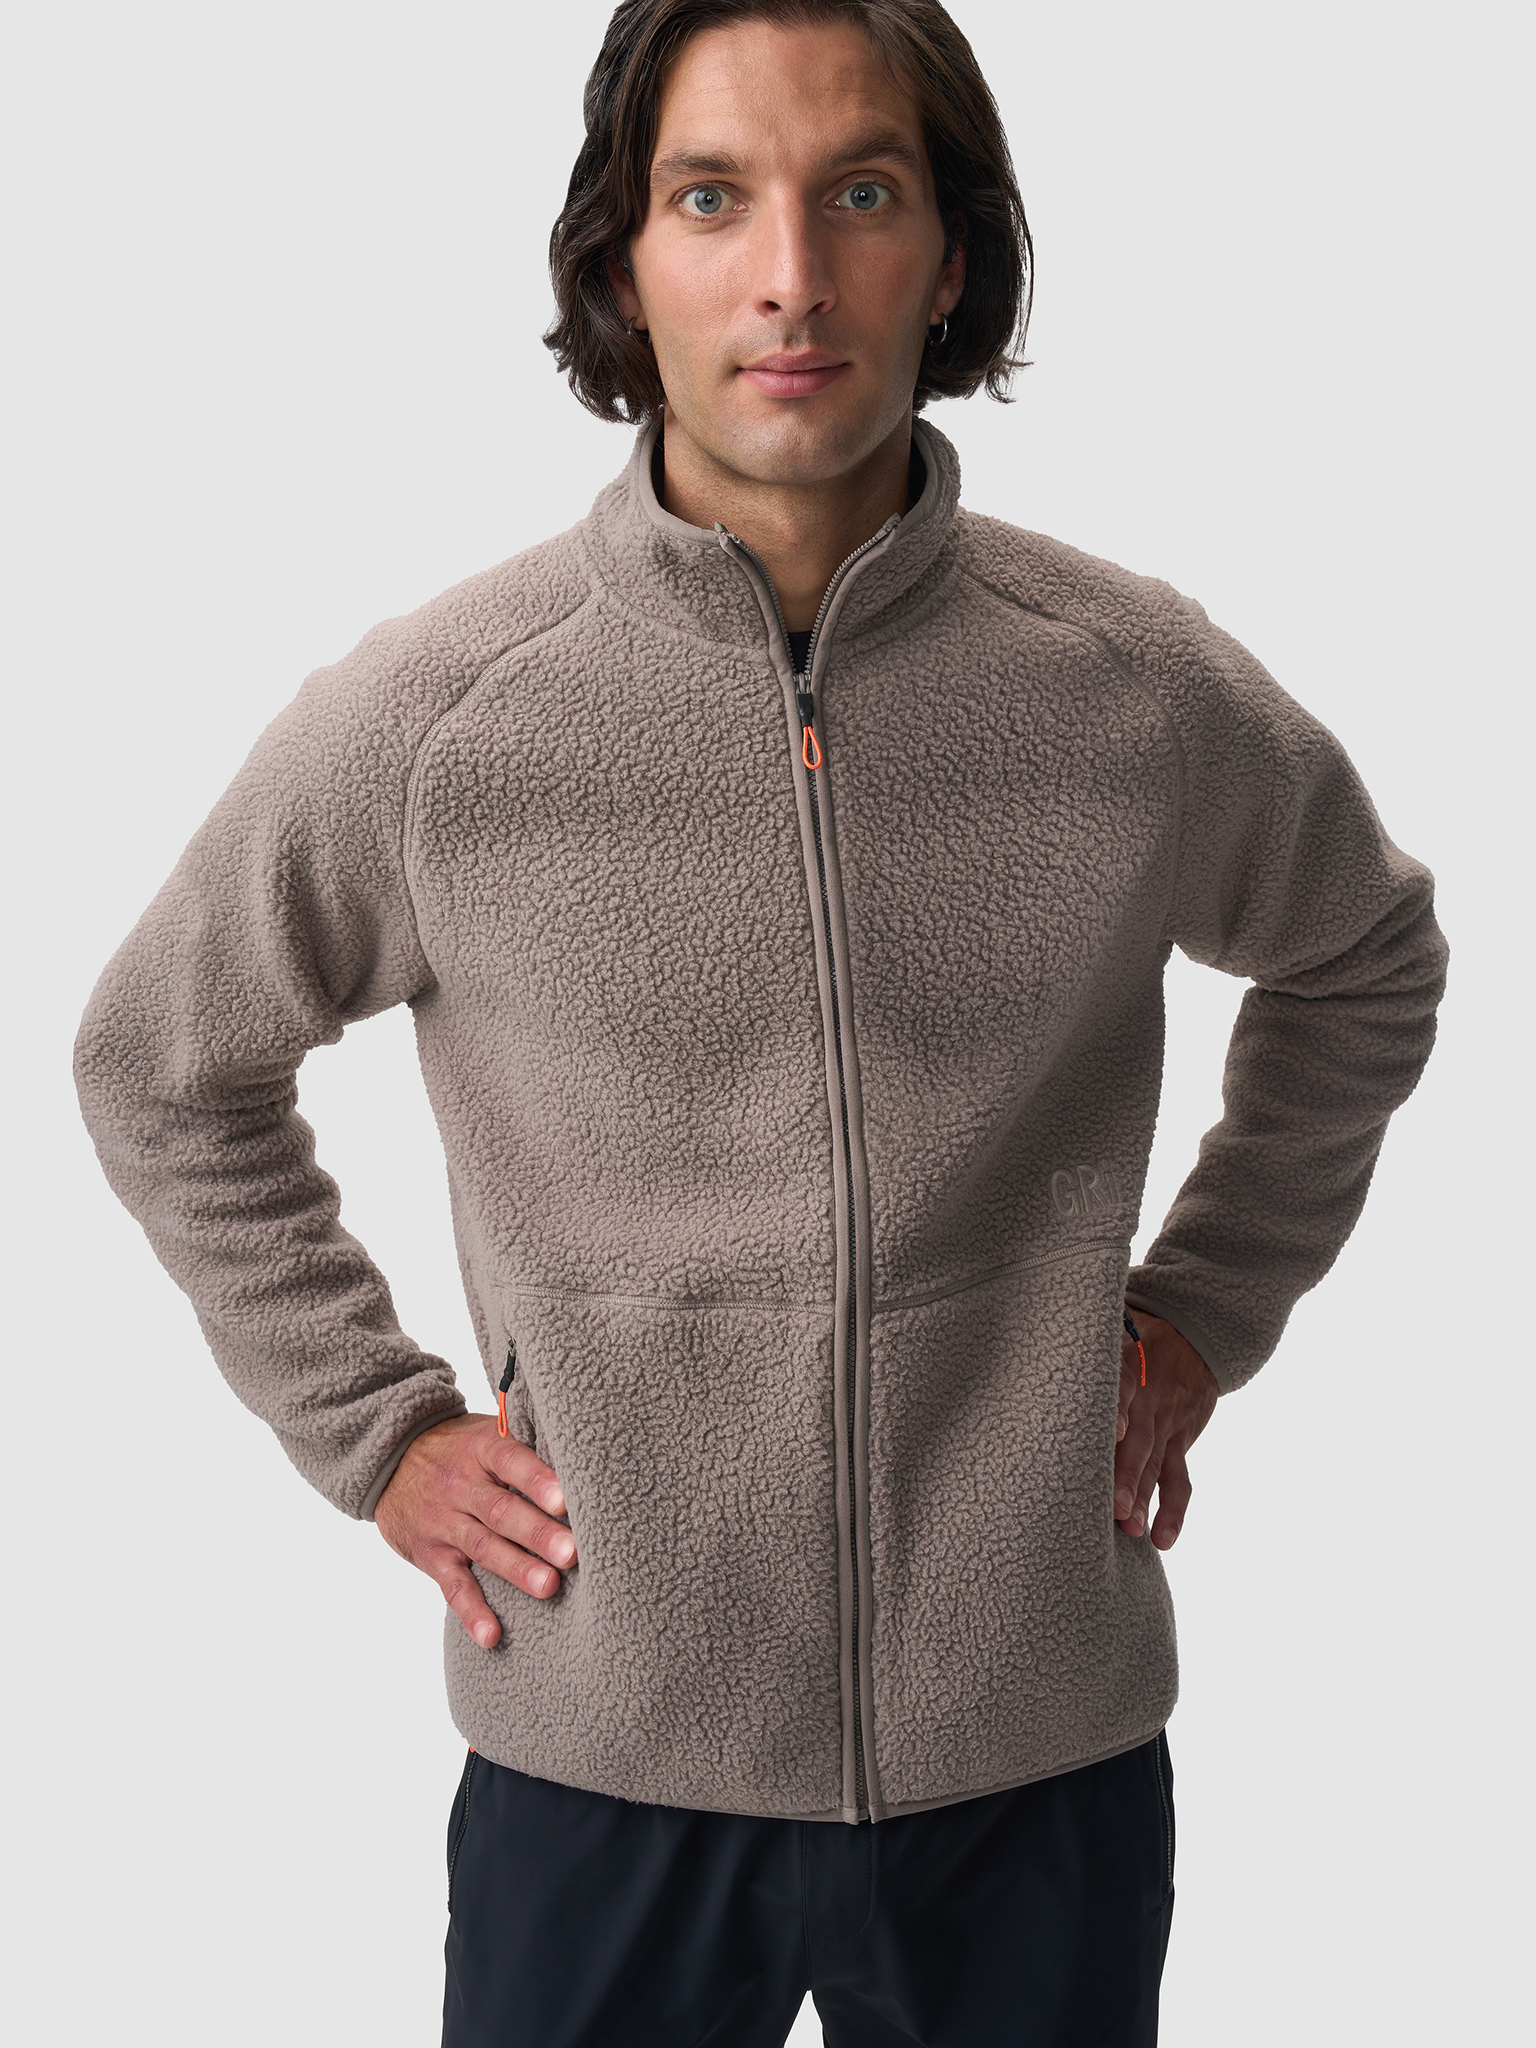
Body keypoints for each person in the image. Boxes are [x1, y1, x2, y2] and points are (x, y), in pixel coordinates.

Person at [72, 1, 1450, 2042]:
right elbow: (162, 1062)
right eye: (712, 198)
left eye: (861, 195)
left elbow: (1365, 955)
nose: (791, 275)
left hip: (1036, 1756)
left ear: (952, 256)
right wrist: (379, 1429)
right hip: (601, 1753)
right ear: (624, 261)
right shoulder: (450, 719)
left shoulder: (1135, 693)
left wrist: (1202, 1313)